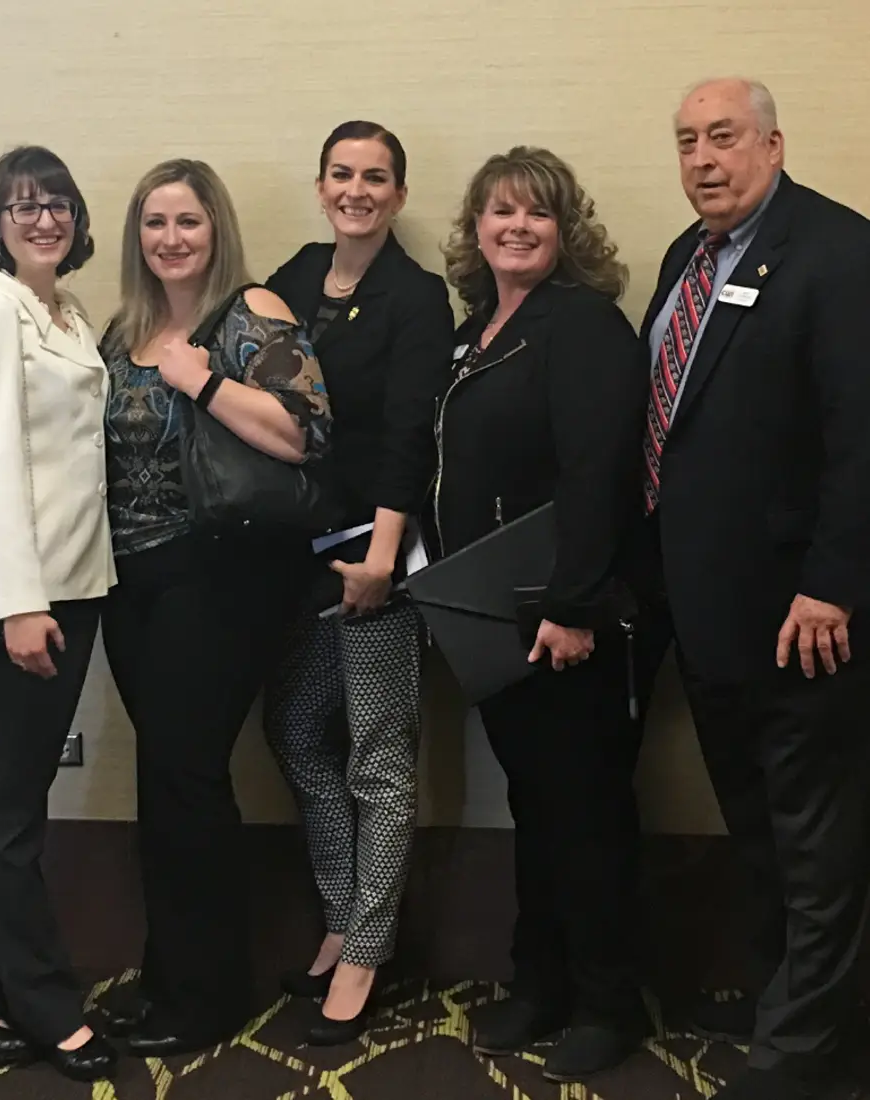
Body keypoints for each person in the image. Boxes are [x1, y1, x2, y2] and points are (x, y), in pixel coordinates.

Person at [631, 78, 870, 1100]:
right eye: (685, 140)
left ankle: (801, 1057)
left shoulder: (836, 251)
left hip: (799, 618)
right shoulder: (686, 261)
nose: (700, 159)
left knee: (816, 845)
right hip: (709, 616)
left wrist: (829, 584)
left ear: (771, 144)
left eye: (720, 137)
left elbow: (861, 439)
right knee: (760, 833)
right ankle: (791, 1006)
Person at [94, 158, 331, 1057]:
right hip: (131, 579)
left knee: (188, 771)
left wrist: (198, 380)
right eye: (154, 223)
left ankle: (207, 996)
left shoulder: (254, 313)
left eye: (187, 221)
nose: (171, 238)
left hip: (222, 572)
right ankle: (168, 980)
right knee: (163, 775)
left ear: (215, 228)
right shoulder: (126, 329)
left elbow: (305, 433)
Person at [433, 147, 649, 1082]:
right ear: (475, 228)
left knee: (585, 811)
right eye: (499, 212)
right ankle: (541, 980)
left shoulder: (584, 326)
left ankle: (610, 1002)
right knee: (539, 804)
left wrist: (573, 606)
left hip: (564, 620)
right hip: (495, 616)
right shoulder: (477, 329)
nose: (516, 227)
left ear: (567, 233)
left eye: (537, 215)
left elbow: (596, 473)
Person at [262, 120, 453, 1044]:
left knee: (377, 755)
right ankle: (344, 914)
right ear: (322, 182)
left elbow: (414, 433)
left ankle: (369, 951)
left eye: (377, 177)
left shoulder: (418, 299)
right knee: (296, 730)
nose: (358, 190)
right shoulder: (294, 276)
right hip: (295, 559)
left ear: (400, 195)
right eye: (342, 173)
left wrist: (382, 557)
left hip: (376, 558)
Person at [0, 146, 117, 1083]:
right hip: (21, 598)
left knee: (17, 805)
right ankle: (45, 1006)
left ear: (79, 220)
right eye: (21, 205)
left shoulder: (69, 315)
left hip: (77, 585)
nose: (43, 219)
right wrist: (22, 606)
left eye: (57, 205)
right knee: (12, 816)